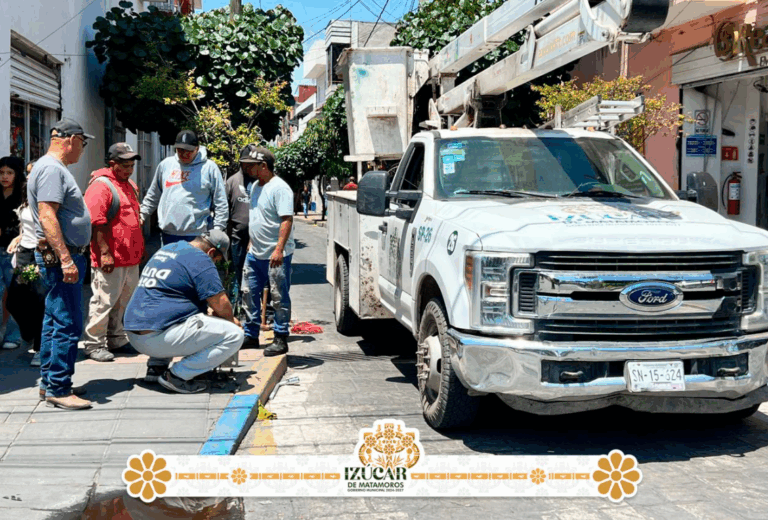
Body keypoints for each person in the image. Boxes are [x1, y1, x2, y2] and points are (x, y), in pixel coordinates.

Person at [123, 230, 244, 394]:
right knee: (234, 334)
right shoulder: (200, 258)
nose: (215, 264)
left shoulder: (169, 249)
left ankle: (156, 367)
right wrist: (231, 320)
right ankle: (176, 376)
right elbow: (221, 304)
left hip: (134, 334)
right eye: (216, 260)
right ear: (211, 252)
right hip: (156, 337)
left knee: (175, 313)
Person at [27, 118, 94, 410]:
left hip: (61, 255)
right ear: (69, 139)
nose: (83, 148)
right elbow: (47, 215)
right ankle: (58, 386)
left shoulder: (51, 168)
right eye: (83, 141)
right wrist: (67, 259)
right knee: (67, 322)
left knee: (55, 320)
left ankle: (49, 382)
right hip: (62, 257)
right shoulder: (52, 170)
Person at [80, 143, 144, 362]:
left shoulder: (130, 185)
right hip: (110, 257)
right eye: (124, 165)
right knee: (103, 301)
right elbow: (95, 223)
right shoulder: (101, 186)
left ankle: (117, 338)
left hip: (130, 256)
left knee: (123, 302)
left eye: (131, 165)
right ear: (112, 163)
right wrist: (105, 253)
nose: (129, 169)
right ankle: (94, 343)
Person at [241, 147, 294, 357]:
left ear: (264, 166)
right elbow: (257, 216)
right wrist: (252, 241)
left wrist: (279, 249)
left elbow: (286, 220)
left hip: (275, 255)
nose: (246, 168)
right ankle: (251, 335)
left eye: (250, 165)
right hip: (255, 253)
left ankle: (280, 337)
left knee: (278, 296)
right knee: (249, 293)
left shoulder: (280, 189)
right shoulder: (255, 186)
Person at [140, 130, 228, 246]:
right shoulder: (166, 165)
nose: (183, 154)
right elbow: (153, 195)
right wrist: (142, 215)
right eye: (180, 150)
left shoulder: (209, 168)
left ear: (197, 148)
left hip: (197, 235)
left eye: (188, 151)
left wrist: (217, 230)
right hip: (168, 235)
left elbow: (220, 201)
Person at [7, 163, 46, 365]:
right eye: (29, 173)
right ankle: (29, 333)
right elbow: (26, 224)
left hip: (40, 254)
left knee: (39, 302)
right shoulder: (25, 194)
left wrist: (44, 259)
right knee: (15, 299)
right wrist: (18, 238)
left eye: (35, 173)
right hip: (24, 253)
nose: (31, 176)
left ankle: (40, 348)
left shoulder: (47, 197)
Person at [224, 144, 259, 318]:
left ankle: (258, 309)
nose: (247, 166)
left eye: (251, 163)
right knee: (239, 274)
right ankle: (239, 309)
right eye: (245, 163)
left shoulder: (261, 182)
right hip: (237, 238)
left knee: (257, 275)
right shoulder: (232, 182)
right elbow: (225, 210)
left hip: (258, 239)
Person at [0, 156, 26, 349]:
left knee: (14, 293)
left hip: (14, 250)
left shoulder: (23, 195)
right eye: (1, 173)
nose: (5, 177)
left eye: (9, 172)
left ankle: (13, 334)